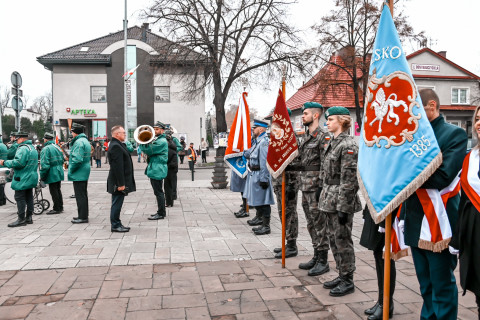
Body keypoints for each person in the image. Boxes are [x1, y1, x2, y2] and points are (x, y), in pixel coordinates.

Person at [401, 89, 467, 319]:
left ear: (431, 105)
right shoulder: (412, 134)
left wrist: (405, 174)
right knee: (425, 284)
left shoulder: (454, 134)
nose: (412, 113)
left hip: (440, 221)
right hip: (415, 219)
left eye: (416, 107)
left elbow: (443, 176)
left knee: (442, 285)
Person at [319, 106, 361, 297]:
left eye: (331, 119)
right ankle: (341, 273)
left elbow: (349, 179)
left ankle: (348, 279)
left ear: (342, 121)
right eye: (327, 120)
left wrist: (344, 207)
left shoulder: (348, 145)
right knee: (333, 238)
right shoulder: (332, 142)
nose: (327, 122)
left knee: (342, 239)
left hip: (340, 200)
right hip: (329, 197)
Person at [450, 105, 480, 318]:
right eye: (477, 118)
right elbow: (464, 201)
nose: (478, 123)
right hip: (474, 231)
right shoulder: (471, 157)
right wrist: (458, 238)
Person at [297, 102, 331, 276]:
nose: (303, 116)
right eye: (303, 114)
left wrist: (321, 186)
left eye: (305, 113)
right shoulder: (305, 136)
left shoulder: (323, 136)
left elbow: (326, 164)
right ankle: (316, 255)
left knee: (320, 224)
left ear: (316, 115)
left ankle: (323, 260)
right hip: (305, 185)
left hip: (316, 187)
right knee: (311, 223)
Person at [272, 108, 300, 259]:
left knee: (289, 214)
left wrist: (291, 184)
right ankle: (286, 242)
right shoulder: (277, 137)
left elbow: (295, 162)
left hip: (289, 183)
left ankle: (292, 245)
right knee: (282, 213)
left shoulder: (291, 138)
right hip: (278, 182)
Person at [359, 206, 396, 319]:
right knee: (378, 253)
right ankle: (382, 301)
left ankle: (386, 303)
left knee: (385, 256)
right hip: (376, 207)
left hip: (387, 208)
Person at [0, 132, 38, 227]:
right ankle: (29, 217)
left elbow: (18, 163)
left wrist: (5, 162)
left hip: (22, 177)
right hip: (31, 176)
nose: (16, 141)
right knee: (29, 196)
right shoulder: (32, 148)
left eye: (17, 139)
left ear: (21, 139)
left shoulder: (23, 148)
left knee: (19, 197)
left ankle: (21, 219)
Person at [243, 119, 275, 235]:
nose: (253, 130)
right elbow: (250, 153)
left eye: (254, 128)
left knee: (264, 201)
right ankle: (260, 219)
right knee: (257, 200)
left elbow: (264, 162)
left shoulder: (264, 142)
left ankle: (266, 226)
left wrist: (264, 178)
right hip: (254, 174)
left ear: (261, 129)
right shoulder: (257, 141)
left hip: (260, 175)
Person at [107, 125, 136, 232]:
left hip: (119, 180)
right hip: (117, 182)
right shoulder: (115, 146)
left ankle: (117, 223)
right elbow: (117, 167)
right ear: (117, 134)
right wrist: (120, 184)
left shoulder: (118, 144)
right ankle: (115, 225)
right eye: (123, 133)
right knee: (116, 203)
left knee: (118, 202)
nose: (125, 134)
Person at [140, 121, 168, 220]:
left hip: (157, 169)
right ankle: (160, 212)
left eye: (157, 129)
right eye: (154, 129)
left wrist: (142, 142)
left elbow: (149, 150)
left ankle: (161, 213)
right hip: (156, 168)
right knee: (158, 191)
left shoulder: (161, 141)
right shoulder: (159, 140)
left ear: (162, 130)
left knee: (159, 192)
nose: (155, 131)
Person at [69, 123, 92, 224]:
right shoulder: (85, 140)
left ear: (75, 132)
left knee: (80, 195)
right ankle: (83, 215)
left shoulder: (78, 142)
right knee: (83, 194)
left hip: (79, 171)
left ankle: (82, 217)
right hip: (84, 170)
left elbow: (77, 159)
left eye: (72, 132)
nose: (72, 134)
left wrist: (71, 169)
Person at [39, 132, 65, 215]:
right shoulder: (57, 147)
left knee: (53, 190)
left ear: (46, 139)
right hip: (58, 170)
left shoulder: (46, 149)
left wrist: (42, 176)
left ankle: (56, 208)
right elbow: (63, 159)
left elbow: (45, 165)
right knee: (58, 189)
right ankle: (60, 206)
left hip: (52, 172)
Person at [164, 129, 178, 207]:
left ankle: (169, 201)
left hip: (170, 169)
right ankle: (170, 201)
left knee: (168, 186)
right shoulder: (172, 146)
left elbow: (167, 159)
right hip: (172, 168)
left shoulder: (169, 148)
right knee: (170, 185)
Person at [0, 136, 8, 205]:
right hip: (4, 166)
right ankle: (3, 200)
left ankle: (0, 201)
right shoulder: (4, 146)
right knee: (2, 184)